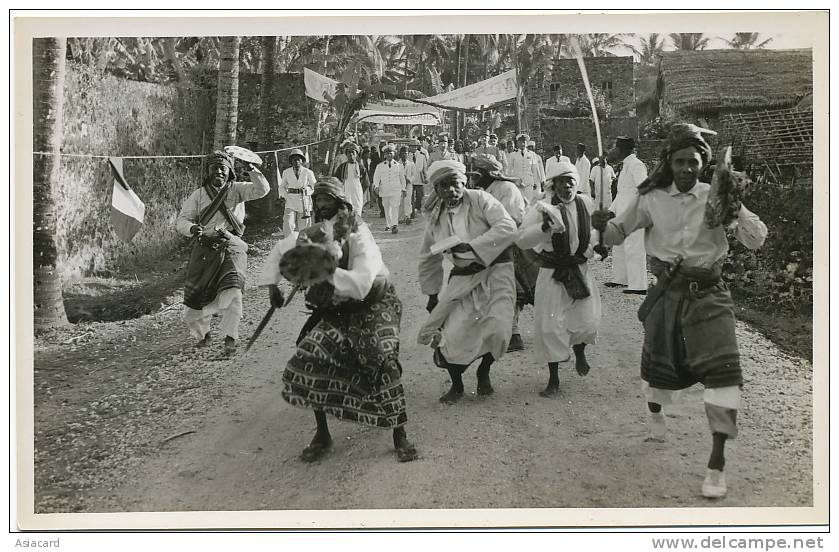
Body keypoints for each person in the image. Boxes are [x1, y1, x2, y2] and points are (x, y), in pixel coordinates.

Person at [591, 123, 767, 498]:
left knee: (724, 374)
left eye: (694, 161)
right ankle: (656, 415)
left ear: (703, 164)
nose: (687, 168)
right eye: (680, 161)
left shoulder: (717, 195)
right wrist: (603, 225)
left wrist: (735, 212)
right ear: (669, 163)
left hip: (710, 293)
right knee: (658, 365)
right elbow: (616, 235)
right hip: (667, 293)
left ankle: (716, 464)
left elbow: (757, 239)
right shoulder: (651, 198)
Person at [258, 176, 418, 463]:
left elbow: (361, 284)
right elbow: (280, 250)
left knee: (380, 359)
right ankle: (322, 433)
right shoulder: (314, 233)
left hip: (372, 303)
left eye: (327, 200)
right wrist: (273, 285)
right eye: (317, 200)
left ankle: (399, 432)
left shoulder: (360, 234)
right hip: (336, 309)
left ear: (341, 203)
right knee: (310, 355)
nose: (321, 206)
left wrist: (322, 268)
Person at [418, 160, 518, 403]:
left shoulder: (481, 200)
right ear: (437, 190)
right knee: (454, 335)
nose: (450, 190)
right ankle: (457, 385)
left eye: (454, 184)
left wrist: (472, 246)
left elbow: (508, 227)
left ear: (464, 182)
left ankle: (484, 371)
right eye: (443, 186)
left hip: (496, 271)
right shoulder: (435, 217)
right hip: (464, 277)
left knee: (499, 328)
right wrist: (432, 294)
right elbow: (428, 256)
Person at [517, 161, 601, 397]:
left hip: (579, 269)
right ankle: (554, 379)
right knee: (551, 326)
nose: (567, 187)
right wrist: (544, 228)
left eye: (571, 181)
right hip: (553, 273)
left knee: (587, 319)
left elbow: (592, 234)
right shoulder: (541, 209)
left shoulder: (586, 203)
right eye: (562, 182)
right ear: (553, 185)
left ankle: (580, 351)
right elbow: (522, 240)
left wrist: (599, 245)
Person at [176, 151, 270, 355]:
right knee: (197, 295)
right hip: (204, 249)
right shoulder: (199, 194)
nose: (218, 171)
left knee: (233, 291)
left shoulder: (238, 190)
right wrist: (191, 228)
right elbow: (182, 220)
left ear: (229, 172)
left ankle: (230, 337)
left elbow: (262, 190)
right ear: (208, 172)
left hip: (231, 246)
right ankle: (203, 335)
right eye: (214, 168)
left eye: (223, 168)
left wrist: (251, 169)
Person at [467, 153, 535, 353]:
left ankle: (514, 333)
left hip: (508, 246)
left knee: (512, 290)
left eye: (477, 173)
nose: (474, 177)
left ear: (489, 173)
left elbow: (512, 220)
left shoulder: (507, 189)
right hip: (488, 246)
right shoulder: (484, 191)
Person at [605, 136, 648, 293]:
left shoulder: (636, 165)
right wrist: (611, 209)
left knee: (634, 248)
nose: (614, 151)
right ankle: (621, 279)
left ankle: (639, 285)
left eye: (616, 148)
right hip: (621, 215)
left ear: (623, 150)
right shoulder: (625, 166)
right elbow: (622, 193)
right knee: (620, 246)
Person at [278, 148, 316, 237]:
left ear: (302, 161)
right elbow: (282, 186)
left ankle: (303, 245)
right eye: (294, 159)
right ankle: (290, 244)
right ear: (291, 161)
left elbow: (314, 186)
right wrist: (285, 196)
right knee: (288, 223)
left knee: (304, 226)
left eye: (298, 159)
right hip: (290, 200)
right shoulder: (286, 172)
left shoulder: (308, 172)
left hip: (304, 201)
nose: (296, 161)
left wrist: (307, 190)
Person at [372, 144, 407, 234]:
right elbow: (376, 177)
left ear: (394, 154)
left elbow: (402, 178)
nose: (389, 155)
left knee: (395, 207)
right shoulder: (380, 166)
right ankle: (388, 224)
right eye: (387, 154)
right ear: (384, 155)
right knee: (387, 208)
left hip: (396, 189)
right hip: (385, 190)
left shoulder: (399, 165)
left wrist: (403, 189)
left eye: (391, 153)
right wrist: (376, 186)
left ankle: (395, 225)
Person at [332, 141, 368, 216]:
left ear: (356, 155)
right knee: (346, 211)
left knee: (357, 211)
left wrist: (360, 191)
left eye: (353, 152)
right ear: (346, 154)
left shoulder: (361, 167)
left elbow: (366, 182)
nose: (351, 154)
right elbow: (336, 180)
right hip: (345, 192)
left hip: (357, 192)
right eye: (349, 152)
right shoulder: (342, 167)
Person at [507, 133, 542, 204]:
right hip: (518, 182)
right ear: (517, 143)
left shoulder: (532, 154)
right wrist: (510, 181)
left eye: (524, 142)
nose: (522, 144)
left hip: (529, 182)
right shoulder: (513, 155)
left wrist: (535, 182)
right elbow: (509, 170)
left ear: (527, 143)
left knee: (529, 202)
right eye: (520, 142)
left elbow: (534, 169)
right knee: (519, 202)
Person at [398, 145, 418, 225]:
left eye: (405, 153)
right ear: (400, 154)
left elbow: (414, 175)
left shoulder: (411, 164)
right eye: (402, 153)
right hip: (399, 186)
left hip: (408, 185)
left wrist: (409, 179)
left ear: (407, 154)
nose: (404, 155)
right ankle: (400, 217)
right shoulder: (397, 164)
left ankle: (407, 217)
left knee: (408, 201)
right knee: (400, 201)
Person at [408, 139, 428, 218]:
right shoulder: (407, 156)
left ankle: (418, 208)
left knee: (420, 196)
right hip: (410, 180)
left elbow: (425, 168)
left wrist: (426, 177)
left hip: (420, 179)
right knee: (411, 197)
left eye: (415, 147)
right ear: (409, 147)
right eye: (412, 147)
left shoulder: (422, 155)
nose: (414, 148)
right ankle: (412, 213)